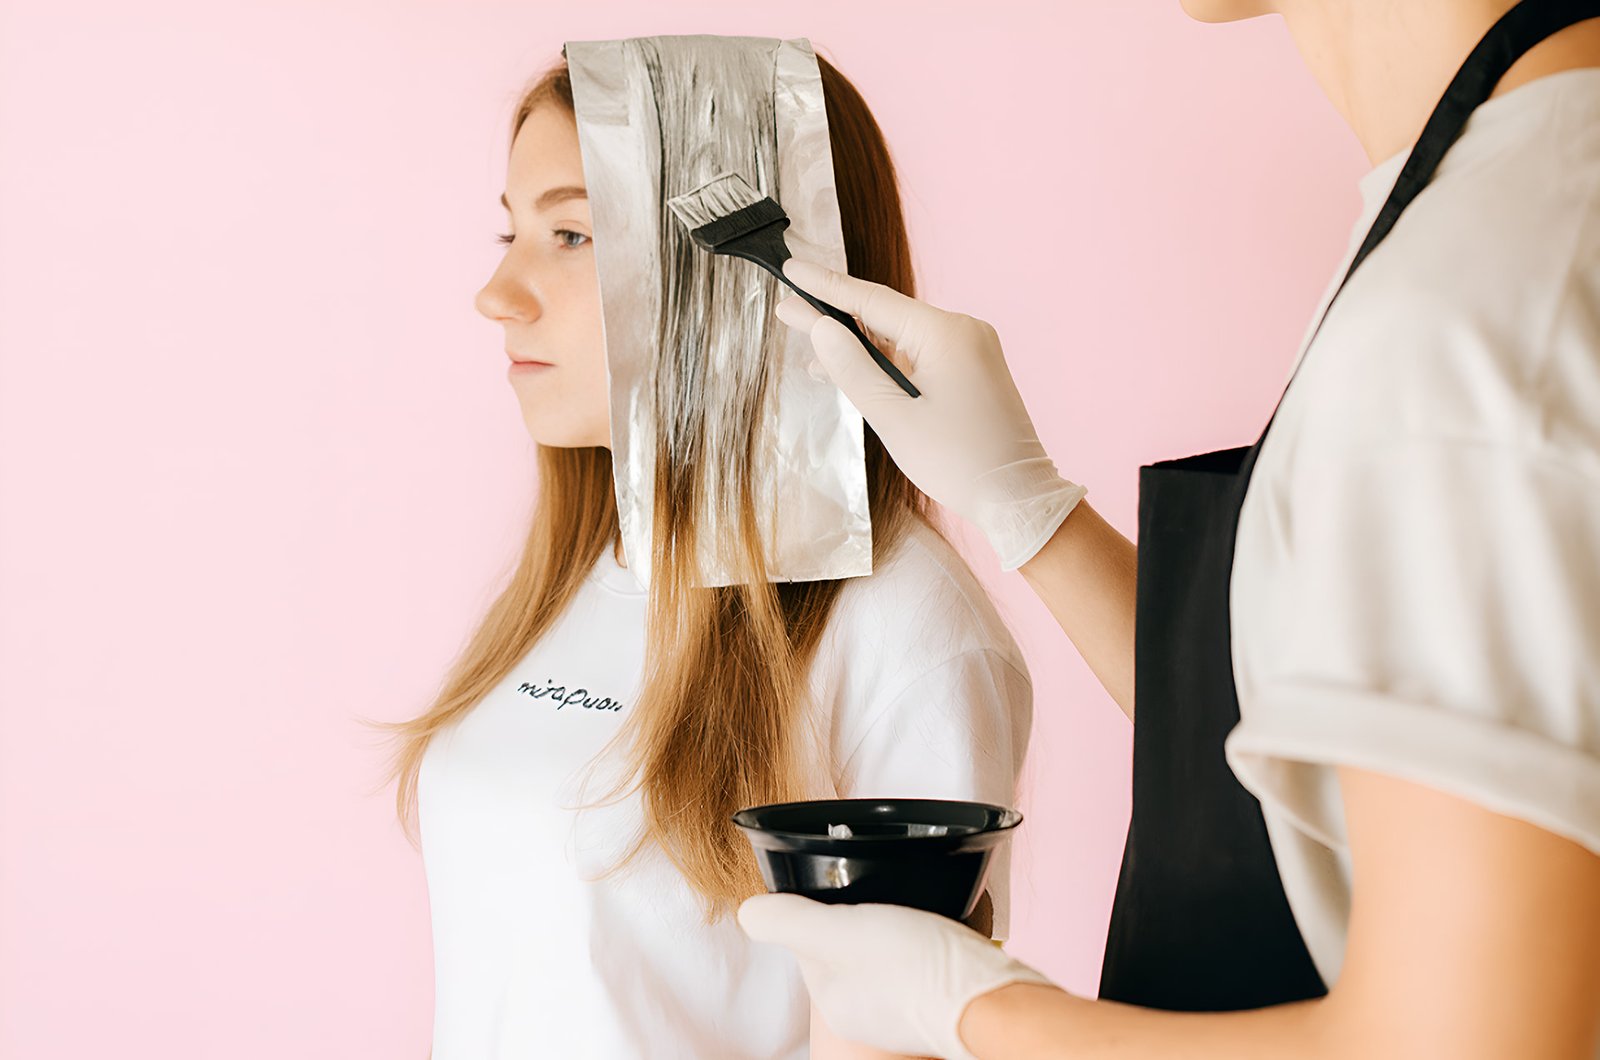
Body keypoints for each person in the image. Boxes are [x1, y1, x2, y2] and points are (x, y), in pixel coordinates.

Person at [738, 2, 1600, 1057]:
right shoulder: (1507, 199)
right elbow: (1309, 753)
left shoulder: (1473, 303)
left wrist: (974, 1013)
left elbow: (1463, 1044)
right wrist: (1031, 509)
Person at [379, 53, 1033, 1060]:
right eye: (511, 230)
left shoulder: (907, 632)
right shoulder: (572, 579)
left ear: (740, 266)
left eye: (571, 235)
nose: (497, 293)